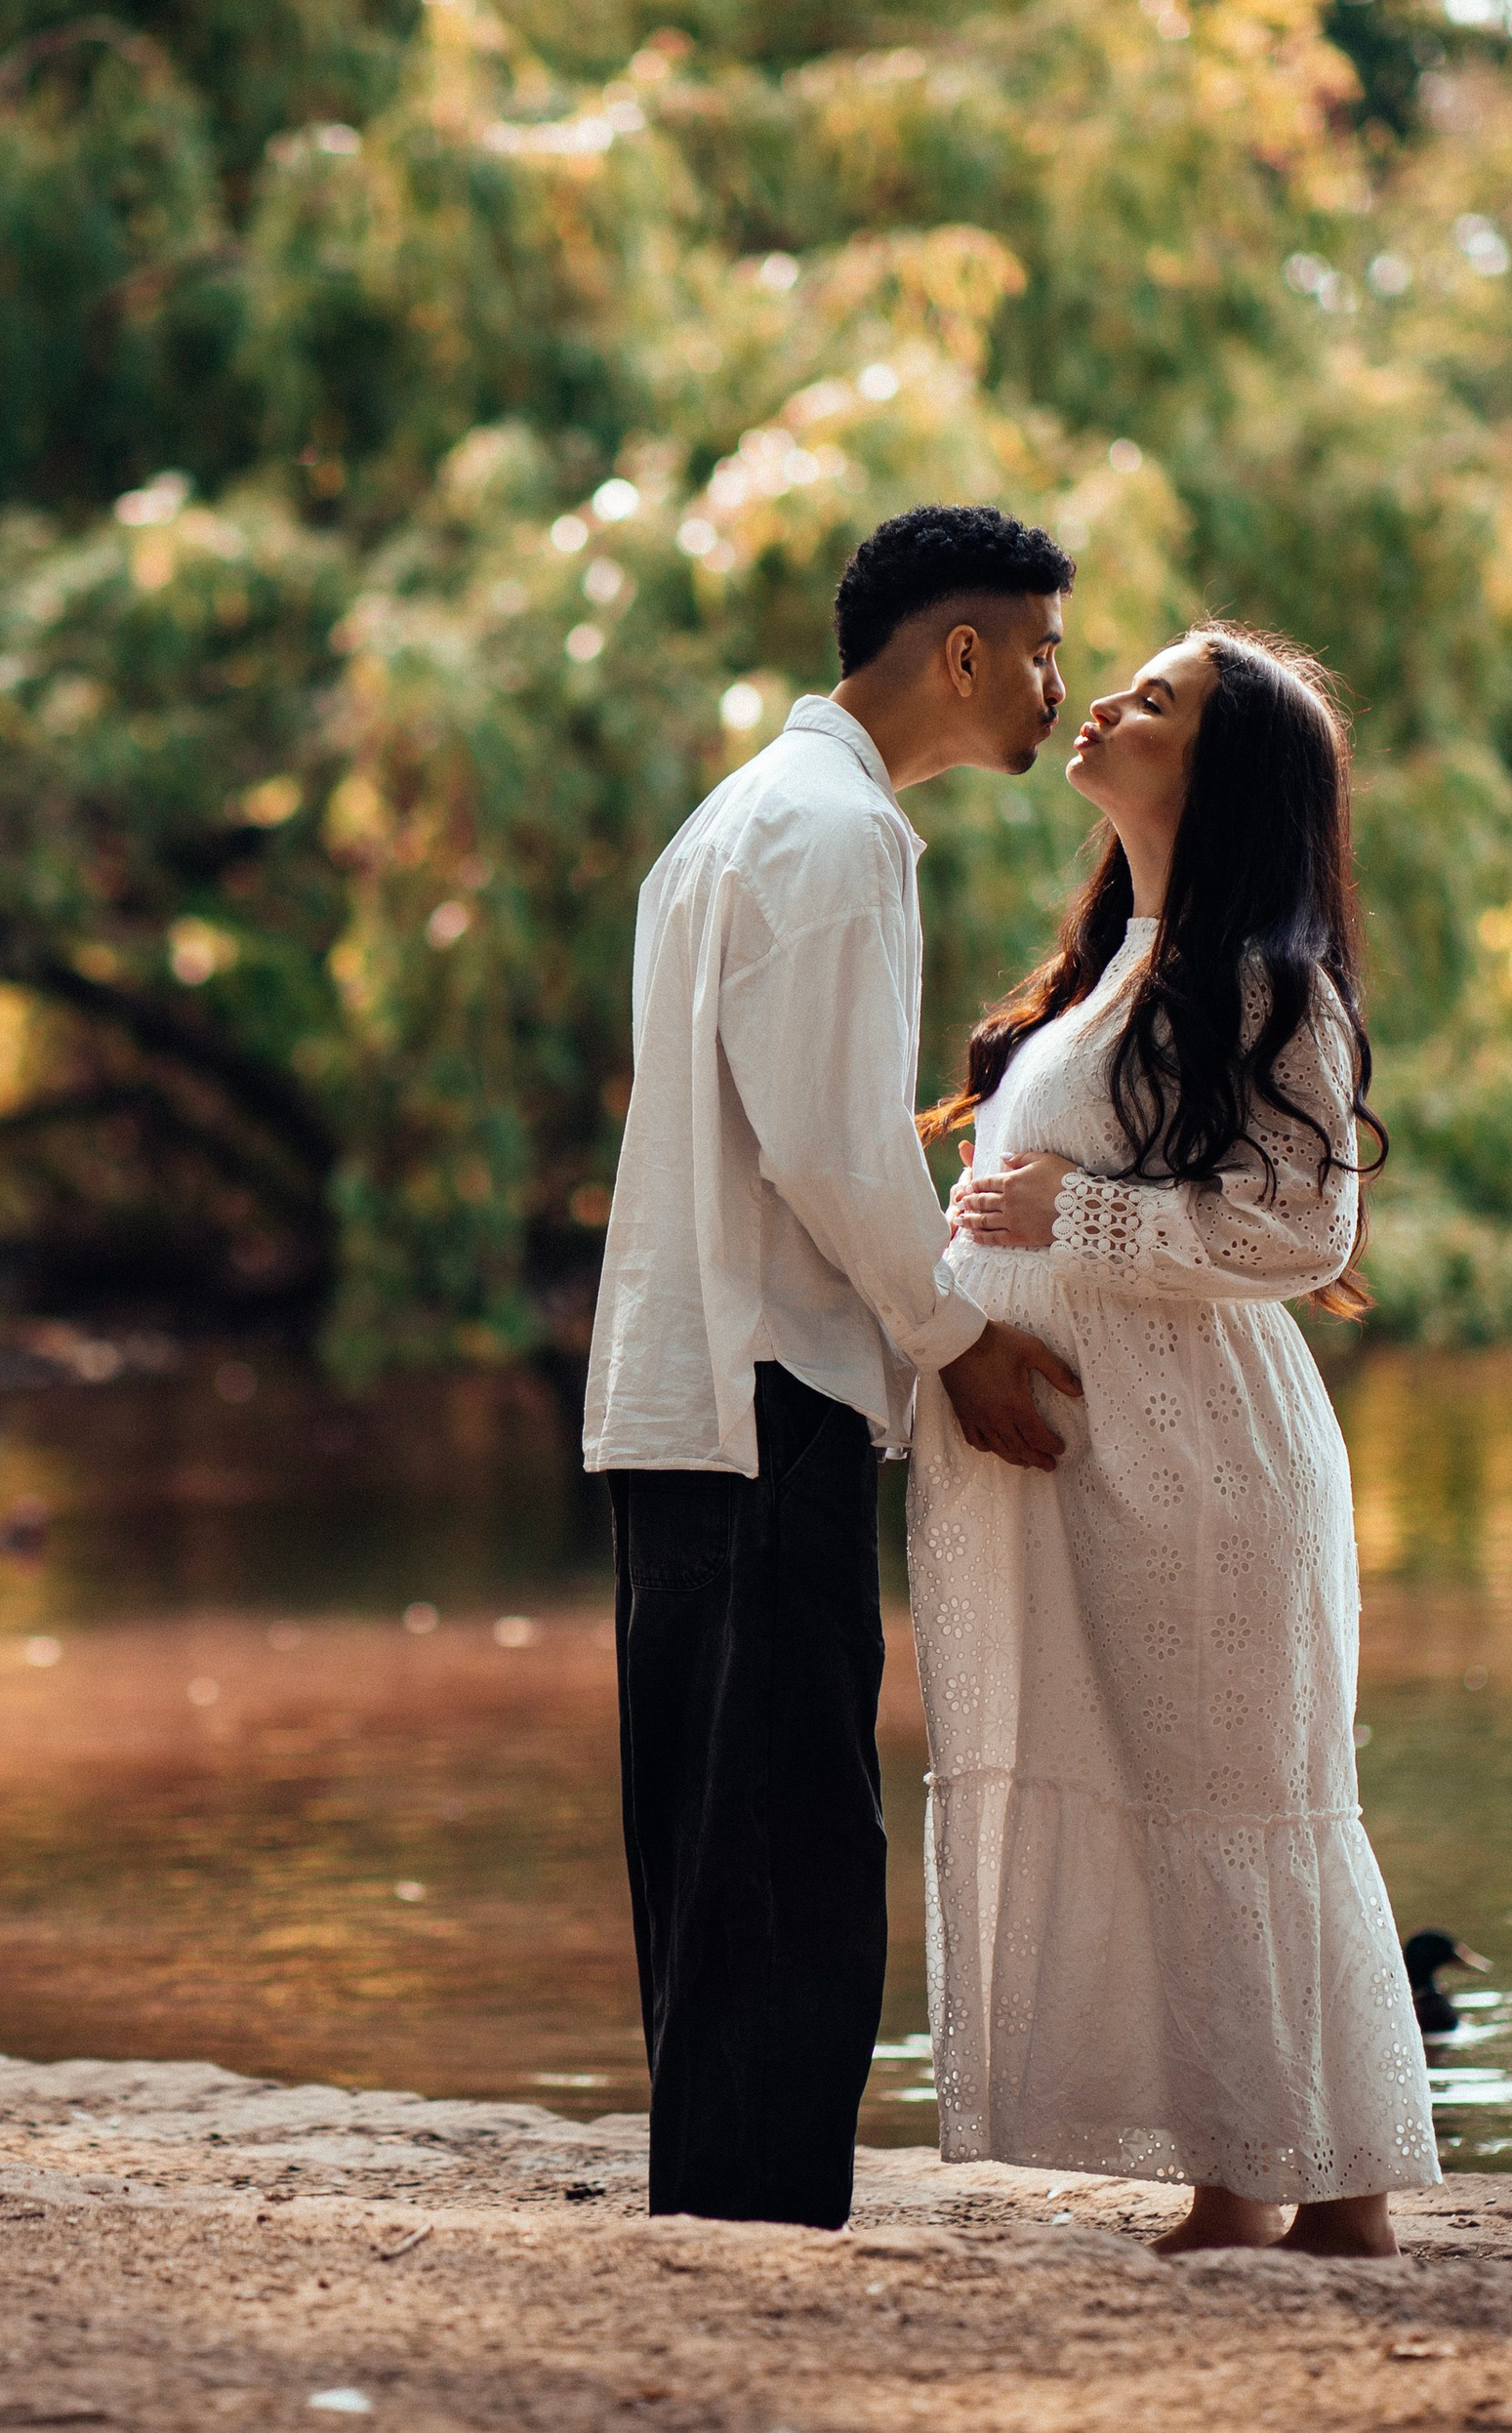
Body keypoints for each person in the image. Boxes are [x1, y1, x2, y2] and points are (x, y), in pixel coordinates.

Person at [584, 505, 1085, 2228]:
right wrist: (957, 1340)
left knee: (717, 1833)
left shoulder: (740, 812)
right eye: (1042, 652)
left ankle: (724, 2209)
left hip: (693, 1385)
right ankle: (757, 2223)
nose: (1056, 688)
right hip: (765, 1383)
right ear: (963, 652)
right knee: (786, 1836)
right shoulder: (836, 828)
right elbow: (834, 1147)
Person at [914, 625, 1440, 2255]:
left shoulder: (1269, 982)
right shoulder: (1105, 977)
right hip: (1100, 1456)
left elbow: (1299, 1231)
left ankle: (1319, 2187)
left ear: (1227, 774)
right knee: (1161, 1792)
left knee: (1241, 1793)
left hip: (1201, 1459)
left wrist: (1074, 1214)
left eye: (1158, 701)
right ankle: (1261, 2170)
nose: (1107, 706)